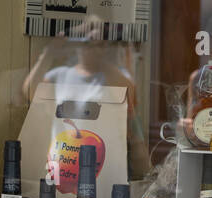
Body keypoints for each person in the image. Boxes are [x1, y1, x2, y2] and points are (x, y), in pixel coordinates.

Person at [22, 14, 152, 178]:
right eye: (86, 35)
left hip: (104, 167)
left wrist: (100, 55)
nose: (90, 40)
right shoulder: (60, 75)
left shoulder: (113, 76)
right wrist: (49, 52)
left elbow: (129, 94)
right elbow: (30, 92)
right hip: (65, 167)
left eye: (98, 37)